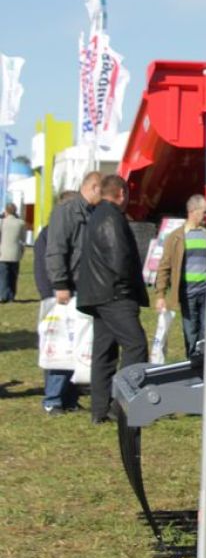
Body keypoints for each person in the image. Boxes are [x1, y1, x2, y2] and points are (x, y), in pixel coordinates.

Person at [76, 174, 149, 424]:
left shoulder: (98, 214)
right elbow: (120, 258)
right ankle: (123, 404)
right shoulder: (112, 217)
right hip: (115, 294)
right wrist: (128, 288)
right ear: (121, 193)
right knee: (136, 345)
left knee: (104, 352)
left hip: (99, 293)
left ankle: (99, 409)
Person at [43, 173, 102, 414]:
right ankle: (53, 399)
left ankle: (68, 396)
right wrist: (60, 284)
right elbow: (56, 249)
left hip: (84, 288)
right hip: (68, 289)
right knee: (62, 343)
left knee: (77, 343)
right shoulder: (67, 211)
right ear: (93, 187)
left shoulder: (89, 212)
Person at [155, 194, 206, 359]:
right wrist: (160, 294)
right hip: (187, 295)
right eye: (205, 212)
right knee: (190, 333)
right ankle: (193, 367)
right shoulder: (175, 237)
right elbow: (164, 267)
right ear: (193, 211)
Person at [36, 189, 82, 414]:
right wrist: (52, 293)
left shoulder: (69, 231)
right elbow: (44, 267)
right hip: (58, 299)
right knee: (56, 349)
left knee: (73, 349)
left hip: (71, 298)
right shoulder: (49, 233)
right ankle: (53, 398)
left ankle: (69, 396)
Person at [0, 202, 27, 303]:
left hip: (3, 253)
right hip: (15, 253)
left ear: (6, 211)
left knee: (3, 276)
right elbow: (23, 239)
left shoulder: (2, 222)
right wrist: (22, 251)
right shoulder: (20, 223)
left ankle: (3, 295)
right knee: (13, 276)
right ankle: (11, 296)